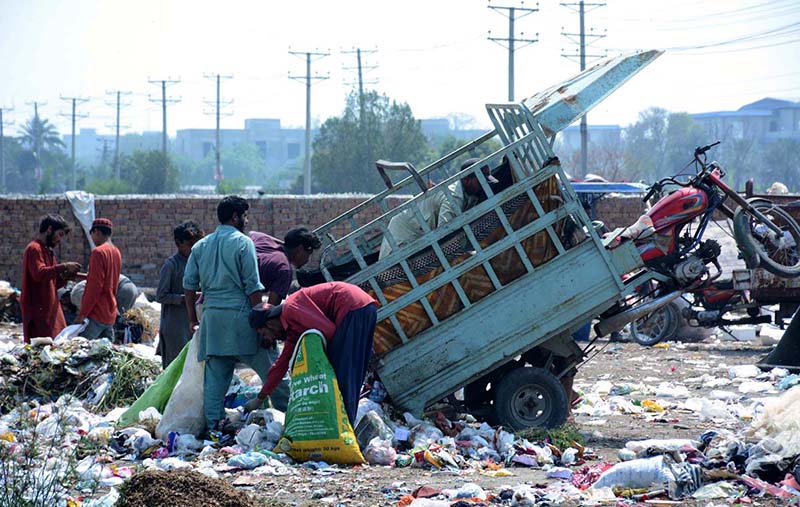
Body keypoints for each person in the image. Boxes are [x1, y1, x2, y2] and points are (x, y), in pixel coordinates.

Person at [183, 196, 287, 432]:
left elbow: (188, 286)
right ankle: (290, 413)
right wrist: (261, 322)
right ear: (235, 217)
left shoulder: (201, 246)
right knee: (273, 370)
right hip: (242, 318)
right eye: (245, 216)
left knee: (216, 378)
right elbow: (252, 285)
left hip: (212, 319)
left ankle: (214, 426)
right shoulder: (243, 243)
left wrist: (192, 319)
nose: (246, 220)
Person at [245, 281, 378, 426]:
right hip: (363, 307)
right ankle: (343, 430)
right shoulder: (291, 329)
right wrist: (260, 398)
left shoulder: (291, 309)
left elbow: (328, 331)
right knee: (349, 377)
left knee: (344, 378)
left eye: (265, 333)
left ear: (269, 323)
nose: (269, 338)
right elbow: (280, 366)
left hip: (351, 306)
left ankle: (342, 432)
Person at [379, 158, 499, 259]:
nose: (484, 185)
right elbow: (446, 234)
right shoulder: (453, 198)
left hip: (418, 234)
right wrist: (473, 254)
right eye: (480, 180)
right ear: (467, 180)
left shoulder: (470, 195)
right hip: (403, 236)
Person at [20, 214, 82, 343]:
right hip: (38, 311)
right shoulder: (34, 249)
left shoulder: (48, 252)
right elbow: (39, 274)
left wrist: (66, 276)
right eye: (59, 234)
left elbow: (53, 283)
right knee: (41, 348)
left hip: (51, 309)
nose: (59, 240)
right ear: (49, 230)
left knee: (58, 344)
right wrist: (64, 266)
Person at [156, 221, 204, 368]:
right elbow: (161, 295)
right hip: (175, 326)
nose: (194, 248)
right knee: (174, 367)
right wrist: (186, 298)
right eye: (190, 244)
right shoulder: (171, 265)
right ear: (178, 243)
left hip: (192, 323)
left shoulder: (198, 262)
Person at [248, 227, 322, 305]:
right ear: (300, 249)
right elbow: (271, 309)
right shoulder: (284, 270)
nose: (307, 260)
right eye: (308, 254)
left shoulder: (260, 239)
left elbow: (251, 233)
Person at [79, 218, 123, 340]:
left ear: (97, 232)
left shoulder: (98, 252)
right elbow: (109, 279)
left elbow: (94, 287)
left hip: (96, 313)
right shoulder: (116, 252)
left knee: (81, 351)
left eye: (91, 234)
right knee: (105, 355)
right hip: (110, 313)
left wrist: (82, 314)